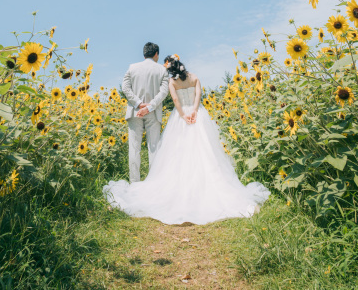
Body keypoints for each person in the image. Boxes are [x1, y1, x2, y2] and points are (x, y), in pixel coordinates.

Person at [104, 55, 270, 225]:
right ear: (183, 66)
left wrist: (183, 115)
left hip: (180, 117)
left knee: (177, 152)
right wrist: (195, 112)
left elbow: (175, 100)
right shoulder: (195, 77)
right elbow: (198, 95)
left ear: (171, 70)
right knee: (205, 150)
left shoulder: (172, 82)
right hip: (197, 115)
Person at [120, 42, 170, 182]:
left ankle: (134, 183)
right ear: (156, 54)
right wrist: (149, 106)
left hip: (134, 112)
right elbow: (164, 92)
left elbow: (125, 88)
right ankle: (153, 184)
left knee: (134, 148)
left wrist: (138, 103)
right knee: (153, 148)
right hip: (153, 113)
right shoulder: (162, 70)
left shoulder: (132, 68)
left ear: (144, 54)